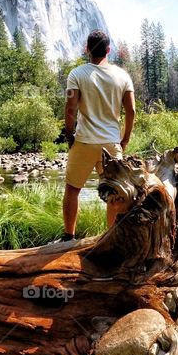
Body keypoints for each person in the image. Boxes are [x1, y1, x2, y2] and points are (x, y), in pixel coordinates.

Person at [60, 30, 136, 242]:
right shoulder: (123, 76)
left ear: (87, 49)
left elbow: (70, 109)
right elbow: (131, 111)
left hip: (84, 141)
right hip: (112, 144)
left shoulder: (77, 74)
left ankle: (68, 238)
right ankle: (111, 238)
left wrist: (69, 137)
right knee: (116, 194)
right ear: (108, 50)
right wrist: (125, 139)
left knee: (73, 190)